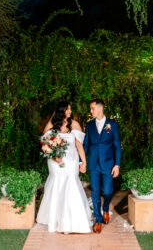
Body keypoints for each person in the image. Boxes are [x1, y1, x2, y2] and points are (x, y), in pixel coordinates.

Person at [36, 101, 92, 233]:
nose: (70, 111)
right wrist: (54, 157)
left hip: (71, 162)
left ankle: (72, 220)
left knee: (71, 184)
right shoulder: (51, 125)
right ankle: (56, 219)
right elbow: (44, 144)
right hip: (55, 163)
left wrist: (83, 162)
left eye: (70, 109)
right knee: (57, 185)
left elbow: (79, 145)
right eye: (68, 109)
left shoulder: (75, 124)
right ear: (62, 111)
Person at [83, 99, 121, 233]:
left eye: (92, 108)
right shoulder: (89, 125)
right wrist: (82, 161)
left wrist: (117, 165)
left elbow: (117, 146)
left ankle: (105, 209)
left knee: (108, 191)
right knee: (94, 192)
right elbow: (85, 144)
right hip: (93, 164)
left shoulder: (112, 124)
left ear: (100, 108)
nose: (91, 111)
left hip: (108, 164)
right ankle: (98, 219)